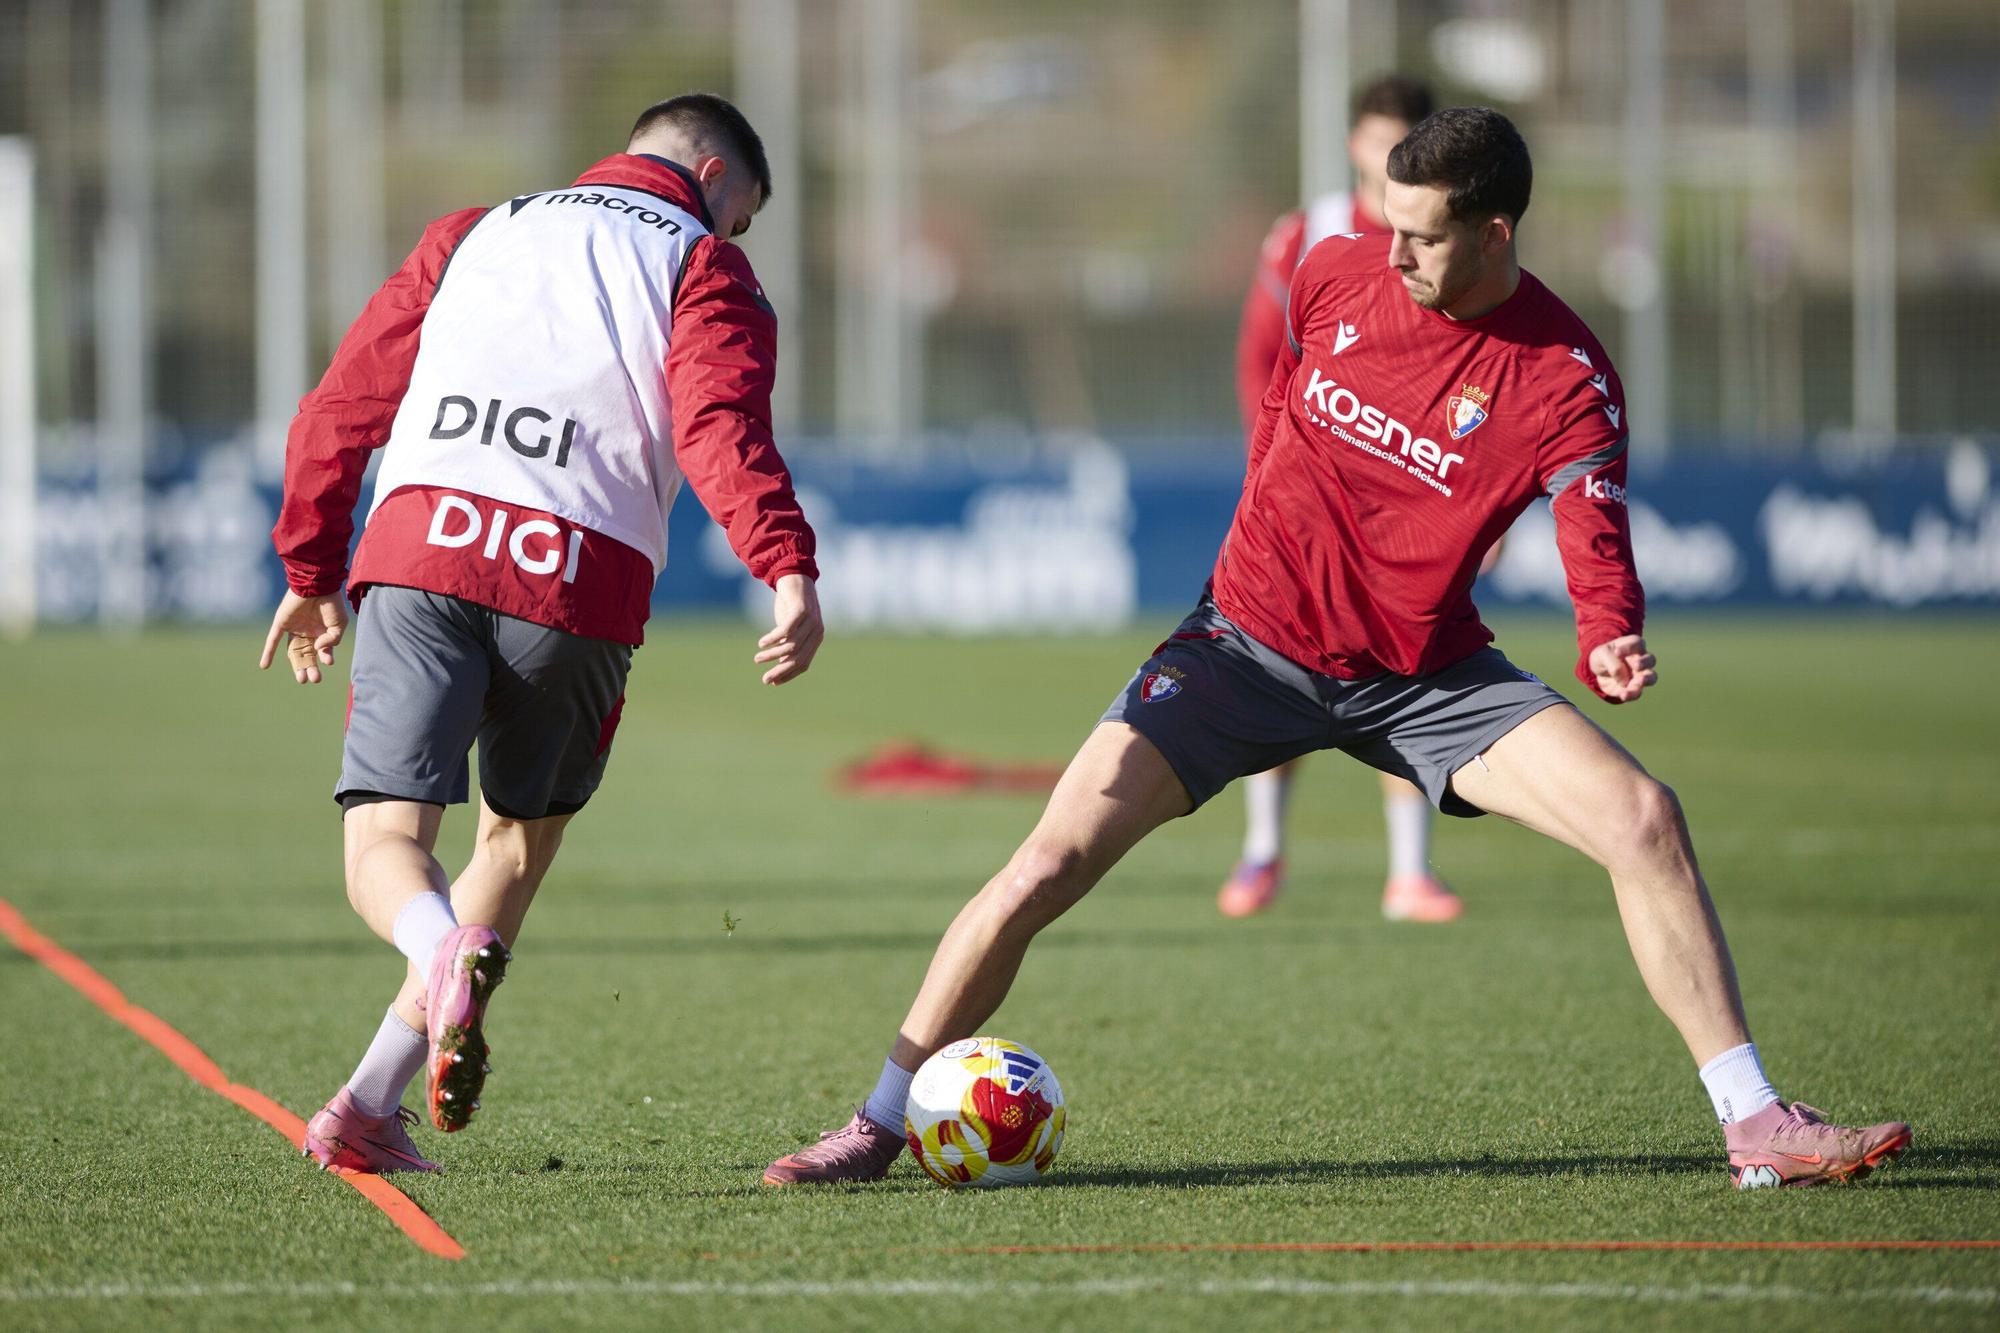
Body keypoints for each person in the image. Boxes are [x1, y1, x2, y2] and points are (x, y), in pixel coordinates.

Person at [762, 107, 1909, 1191]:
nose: (1392, 251)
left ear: (1494, 231)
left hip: (1421, 680)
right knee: (1045, 865)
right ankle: (873, 1121)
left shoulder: (1563, 376)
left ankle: (1754, 1120)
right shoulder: (1334, 269)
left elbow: (1588, 523)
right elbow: (1275, 407)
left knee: (1641, 818)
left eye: (1420, 234)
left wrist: (1609, 631)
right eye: (1385, 220)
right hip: (1236, 649)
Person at [262, 93, 824, 1174]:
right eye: (740, 212)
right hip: (579, 578)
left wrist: (308, 566)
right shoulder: (704, 265)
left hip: (424, 543)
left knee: (386, 844)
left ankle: (432, 961)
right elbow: (719, 424)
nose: (732, 234)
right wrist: (783, 563)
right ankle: (369, 1104)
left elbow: (343, 404)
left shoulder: (474, 230)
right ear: (712, 175)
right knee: (513, 842)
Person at [1222, 74, 1471, 925]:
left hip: (1409, 500)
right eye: (1376, 138)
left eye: (1404, 139)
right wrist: (1273, 463)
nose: (1386, 155)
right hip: (1305, 497)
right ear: (1356, 145)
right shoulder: (1311, 234)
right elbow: (1262, 354)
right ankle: (1262, 851)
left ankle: (1409, 872)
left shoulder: (1457, 243)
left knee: (1401, 661)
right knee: (1275, 658)